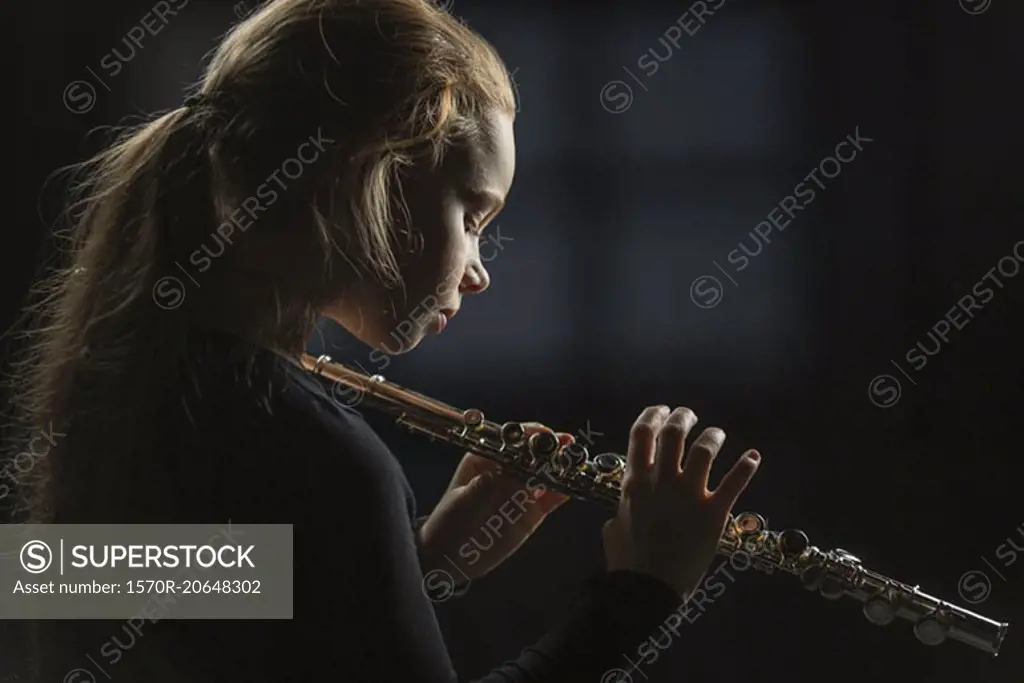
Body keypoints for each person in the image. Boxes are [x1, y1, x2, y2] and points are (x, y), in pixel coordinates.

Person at [3, 0, 761, 680]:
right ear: (371, 171)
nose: (477, 273)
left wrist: (413, 561)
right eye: (472, 216)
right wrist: (645, 588)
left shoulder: (139, 393)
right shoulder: (318, 451)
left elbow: (194, 615)